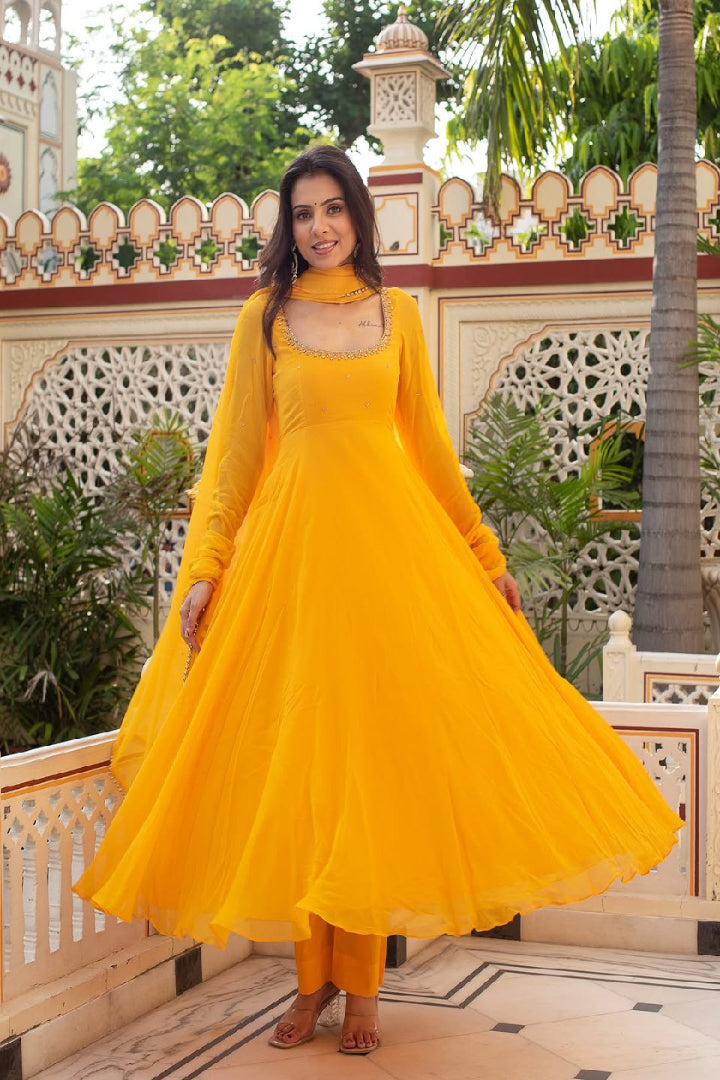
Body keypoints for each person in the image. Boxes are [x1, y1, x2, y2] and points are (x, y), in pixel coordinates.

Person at [75, 145, 682, 1057]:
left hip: (391, 567)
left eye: (334, 210)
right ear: (290, 226)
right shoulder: (264, 318)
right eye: (304, 213)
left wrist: (483, 552)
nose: (319, 227)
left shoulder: (398, 315)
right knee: (308, 775)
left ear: (359, 216)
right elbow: (232, 458)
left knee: (370, 775)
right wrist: (204, 569)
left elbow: (432, 452)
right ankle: (308, 983)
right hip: (292, 570)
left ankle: (360, 994)